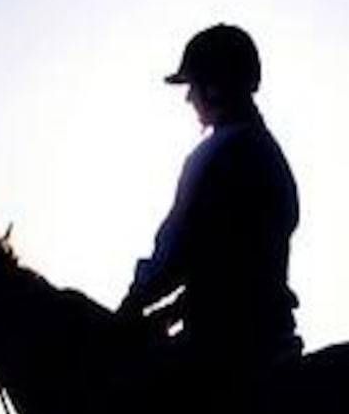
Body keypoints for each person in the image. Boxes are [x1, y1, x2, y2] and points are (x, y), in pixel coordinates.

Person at [119, 24, 302, 374]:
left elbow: (173, 255)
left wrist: (132, 302)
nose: (189, 98)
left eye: (193, 86)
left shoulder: (215, 155)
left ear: (216, 86)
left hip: (222, 342)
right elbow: (234, 264)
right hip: (272, 334)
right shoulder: (271, 154)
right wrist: (174, 311)